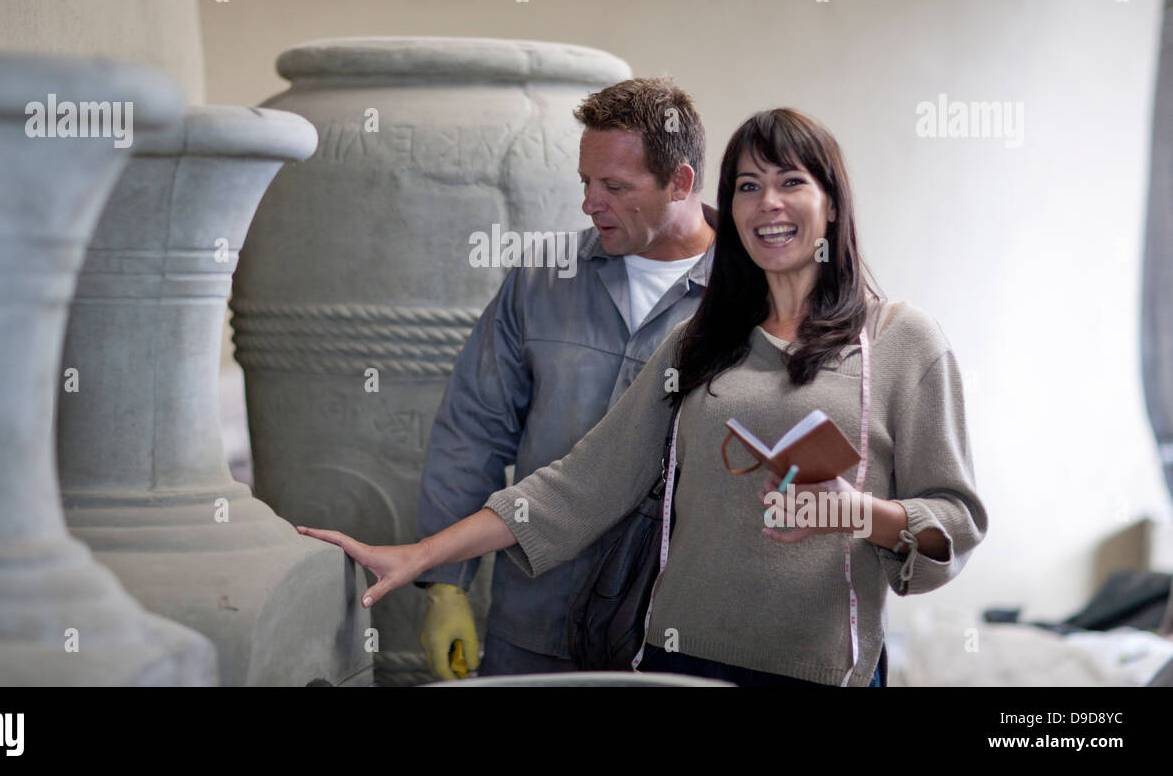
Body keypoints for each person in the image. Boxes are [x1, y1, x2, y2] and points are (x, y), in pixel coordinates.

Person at [300, 108, 988, 686]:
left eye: (791, 182)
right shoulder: (700, 340)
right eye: (747, 185)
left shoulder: (902, 341)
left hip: (819, 668)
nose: (767, 203)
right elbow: (578, 487)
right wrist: (424, 560)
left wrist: (866, 515)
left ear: (831, 203)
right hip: (676, 665)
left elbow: (955, 518)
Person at [409, 76, 716, 679]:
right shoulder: (540, 282)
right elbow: (471, 434)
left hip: (673, 639)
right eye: (585, 181)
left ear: (680, 182)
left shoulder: (749, 300)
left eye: (614, 186)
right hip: (532, 625)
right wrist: (446, 588)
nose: (589, 203)